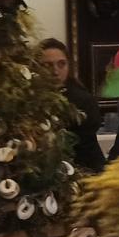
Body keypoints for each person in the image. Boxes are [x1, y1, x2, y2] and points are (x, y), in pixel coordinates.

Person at [41, 35, 107, 172]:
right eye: (47, 65)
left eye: (61, 64)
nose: (55, 71)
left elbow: (82, 146)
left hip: (83, 169)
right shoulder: (31, 100)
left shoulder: (82, 99)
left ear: (69, 66)